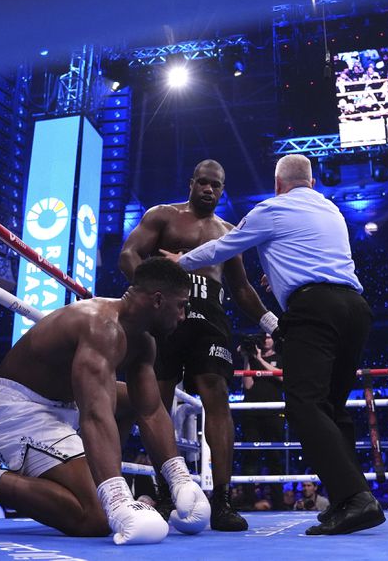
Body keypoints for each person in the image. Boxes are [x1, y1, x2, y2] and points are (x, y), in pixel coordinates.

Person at [161, 154, 384, 535]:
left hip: (314, 311)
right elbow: (310, 258)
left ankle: (355, 498)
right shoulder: (331, 212)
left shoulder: (271, 209)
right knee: (332, 409)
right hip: (355, 310)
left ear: (279, 184)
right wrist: (280, 279)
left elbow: (221, 248)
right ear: (312, 184)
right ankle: (352, 499)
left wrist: (178, 263)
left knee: (304, 406)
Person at [0, 258, 210, 545]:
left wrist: (180, 479)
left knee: (132, 398)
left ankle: (100, 477)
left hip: (60, 408)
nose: (183, 316)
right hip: (17, 410)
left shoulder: (144, 342)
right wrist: (116, 500)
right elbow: (95, 415)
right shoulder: (99, 325)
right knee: (95, 518)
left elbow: (150, 409)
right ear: (158, 300)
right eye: (181, 305)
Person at [119, 159, 279, 532]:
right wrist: (151, 292)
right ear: (191, 183)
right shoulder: (163, 216)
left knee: (217, 394)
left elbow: (240, 287)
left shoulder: (227, 231)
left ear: (223, 190)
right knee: (154, 400)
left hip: (211, 318)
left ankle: (221, 499)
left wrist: (271, 321)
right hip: (163, 317)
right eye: (203, 182)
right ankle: (162, 492)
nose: (209, 189)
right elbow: (129, 254)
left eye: (216, 185)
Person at [237, 332, 284, 508]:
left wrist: (260, 359)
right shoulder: (252, 360)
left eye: (269, 337)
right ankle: (249, 501)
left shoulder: (280, 357)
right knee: (251, 456)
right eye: (263, 337)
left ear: (274, 340)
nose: (266, 340)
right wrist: (248, 358)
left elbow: (282, 376)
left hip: (274, 412)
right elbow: (248, 385)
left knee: (275, 457)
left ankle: (279, 503)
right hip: (252, 412)